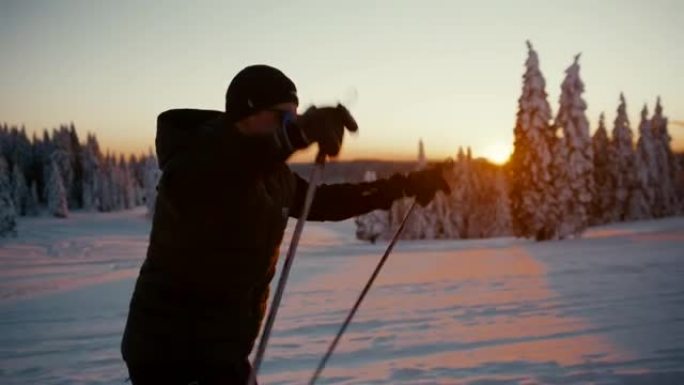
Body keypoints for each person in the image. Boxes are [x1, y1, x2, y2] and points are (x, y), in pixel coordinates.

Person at [121, 64, 450, 384]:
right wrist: (300, 133)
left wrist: (403, 186)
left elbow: (323, 202)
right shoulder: (197, 162)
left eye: (294, 116)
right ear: (246, 113)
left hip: (222, 351)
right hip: (169, 354)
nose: (289, 124)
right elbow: (229, 166)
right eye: (283, 117)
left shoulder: (272, 175)